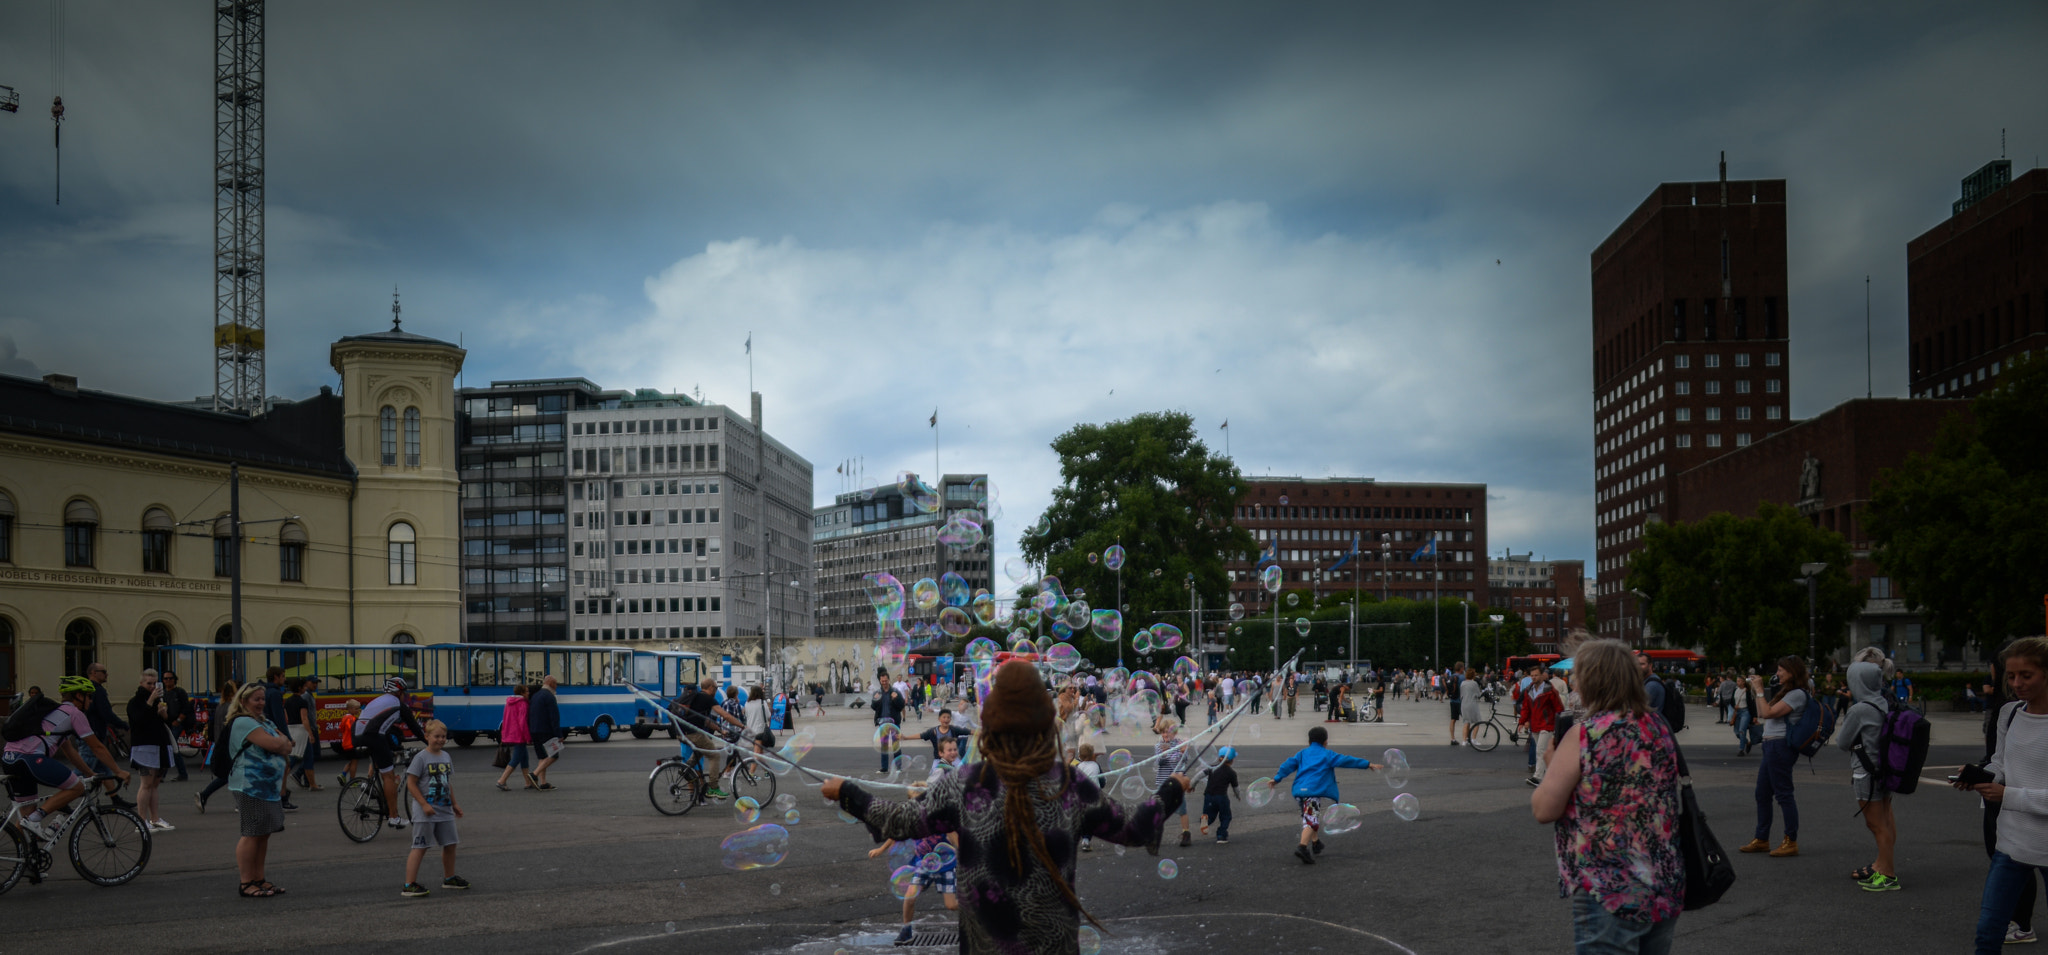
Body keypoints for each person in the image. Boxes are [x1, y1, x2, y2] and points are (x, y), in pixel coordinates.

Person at [822, 660, 1191, 955]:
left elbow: (903, 820)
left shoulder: (964, 783)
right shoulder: (1069, 784)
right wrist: (1173, 788)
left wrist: (848, 792)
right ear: (1044, 723)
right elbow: (1136, 828)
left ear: (991, 724)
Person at [1530, 638, 1683, 953]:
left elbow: (1544, 808)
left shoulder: (1586, 735)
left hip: (1610, 886)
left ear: (1592, 681)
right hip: (1663, 878)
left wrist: (1551, 763)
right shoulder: (1658, 727)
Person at [1964, 637, 2048, 952]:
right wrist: (1980, 777)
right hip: (2011, 844)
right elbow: (2001, 762)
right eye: (2011, 676)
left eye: (2026, 675)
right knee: (1987, 934)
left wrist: (2006, 795)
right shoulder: (2010, 712)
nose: (2016, 684)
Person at [2, 675, 132, 840]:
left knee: (26, 814)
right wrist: (118, 771)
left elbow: (71, 752)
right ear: (79, 695)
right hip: (29, 759)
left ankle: (24, 860)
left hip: (9, 759)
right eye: (89, 696)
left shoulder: (55, 714)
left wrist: (90, 774)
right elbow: (97, 747)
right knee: (77, 788)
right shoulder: (74, 713)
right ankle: (35, 820)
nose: (91, 701)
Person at [221, 681, 297, 897]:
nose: (261, 703)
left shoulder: (263, 721)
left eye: (263, 699)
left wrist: (281, 742)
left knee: (263, 834)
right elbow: (276, 745)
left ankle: (259, 878)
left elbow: (289, 744)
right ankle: (246, 882)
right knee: (252, 834)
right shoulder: (243, 722)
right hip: (250, 785)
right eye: (256, 699)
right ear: (243, 701)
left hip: (267, 787)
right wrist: (280, 742)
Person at [1270, 724, 1377, 865]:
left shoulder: (1302, 754)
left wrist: (1277, 778)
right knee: (1311, 820)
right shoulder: (1328, 754)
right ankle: (1302, 847)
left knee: (1309, 817)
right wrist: (1367, 764)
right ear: (1326, 742)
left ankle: (1316, 843)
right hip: (1313, 793)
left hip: (1300, 792)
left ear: (1309, 741)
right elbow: (1346, 760)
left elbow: (1287, 765)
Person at [1838, 654, 1900, 891]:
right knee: (1885, 820)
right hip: (1883, 770)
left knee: (1875, 825)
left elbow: (1843, 742)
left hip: (1866, 772)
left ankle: (1888, 874)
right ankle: (1883, 866)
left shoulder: (1859, 709)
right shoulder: (1883, 702)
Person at [1740, 656, 1811, 858]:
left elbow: (1768, 713)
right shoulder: (1786, 692)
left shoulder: (1797, 694)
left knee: (1783, 794)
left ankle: (1791, 840)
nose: (1777, 673)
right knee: (1762, 793)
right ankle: (1761, 838)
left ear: (1793, 672)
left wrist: (1760, 690)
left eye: (1781, 670)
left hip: (1780, 746)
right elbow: (1763, 711)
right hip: (1771, 745)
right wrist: (1756, 690)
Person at [400, 719, 468, 897]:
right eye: (436, 736)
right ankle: (409, 883)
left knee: (450, 844)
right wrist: (424, 804)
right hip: (426, 812)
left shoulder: (446, 756)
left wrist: (454, 804)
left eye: (443, 736)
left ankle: (449, 877)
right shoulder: (421, 758)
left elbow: (447, 782)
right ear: (427, 736)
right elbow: (411, 784)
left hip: (444, 809)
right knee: (420, 846)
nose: (440, 740)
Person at [355, 676, 430, 826]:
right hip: (373, 736)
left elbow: (385, 727)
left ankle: (370, 786)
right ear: (398, 692)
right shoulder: (398, 704)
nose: (404, 696)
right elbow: (415, 727)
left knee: (382, 760)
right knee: (388, 776)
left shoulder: (378, 701)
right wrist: (430, 743)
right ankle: (393, 817)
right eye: (404, 693)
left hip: (357, 735)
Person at [872, 830, 962, 944]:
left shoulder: (941, 822)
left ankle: (975, 907)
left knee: (951, 905)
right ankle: (906, 931)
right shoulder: (914, 821)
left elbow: (955, 838)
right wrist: (880, 849)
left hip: (945, 866)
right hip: (922, 864)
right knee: (909, 898)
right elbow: (897, 834)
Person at [124, 668, 176, 831]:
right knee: (146, 783)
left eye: (154, 683)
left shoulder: (159, 700)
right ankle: (141, 820)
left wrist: (164, 714)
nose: (152, 687)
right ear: (141, 683)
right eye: (149, 683)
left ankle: (154, 818)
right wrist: (150, 702)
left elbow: (168, 721)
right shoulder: (135, 702)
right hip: (144, 746)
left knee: (155, 784)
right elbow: (138, 720)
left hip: (160, 744)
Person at [196, 679, 240, 812]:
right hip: (229, 744)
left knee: (230, 774)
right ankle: (205, 794)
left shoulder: (220, 706)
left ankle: (205, 795)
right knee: (231, 774)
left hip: (219, 743)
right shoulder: (232, 707)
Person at [1154, 716, 1193, 847]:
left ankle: (1186, 834)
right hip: (1163, 782)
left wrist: (1182, 752)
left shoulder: (1181, 743)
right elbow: (1159, 762)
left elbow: (1183, 760)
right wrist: (1165, 753)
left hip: (1178, 782)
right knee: (1160, 809)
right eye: (1163, 732)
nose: (1165, 735)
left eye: (1168, 732)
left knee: (1182, 808)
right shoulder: (1159, 745)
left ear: (1174, 732)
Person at [1525, 669, 1563, 788]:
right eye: (1532, 675)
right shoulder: (1530, 690)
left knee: (1540, 750)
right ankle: (1552, 774)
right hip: (1536, 723)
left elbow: (1558, 707)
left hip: (1547, 724)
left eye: (1536, 675)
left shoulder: (1549, 690)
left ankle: (1537, 777)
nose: (1534, 677)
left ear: (1542, 676)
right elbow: (1526, 707)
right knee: (1543, 750)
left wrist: (1558, 721)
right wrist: (1523, 721)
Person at [494, 683, 536, 791]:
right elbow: (523, 722)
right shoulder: (523, 703)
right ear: (521, 693)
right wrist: (528, 737)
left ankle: (528, 782)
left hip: (511, 732)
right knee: (516, 758)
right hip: (519, 734)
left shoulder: (509, 702)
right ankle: (502, 780)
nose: (528, 693)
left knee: (524, 758)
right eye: (526, 691)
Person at [1197, 745, 1240, 844]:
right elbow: (1235, 788)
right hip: (1221, 797)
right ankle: (1221, 835)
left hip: (1208, 795)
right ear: (1232, 760)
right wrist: (1237, 795)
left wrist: (1192, 785)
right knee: (1226, 816)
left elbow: (1198, 776)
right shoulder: (1231, 773)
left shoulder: (1212, 767)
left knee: (1210, 815)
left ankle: (1205, 821)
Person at [528, 674, 563, 790]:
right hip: (546, 731)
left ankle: (543, 783)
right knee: (554, 755)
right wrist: (558, 734)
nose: (556, 686)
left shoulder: (535, 696)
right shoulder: (549, 697)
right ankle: (534, 774)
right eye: (556, 684)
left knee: (542, 757)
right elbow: (554, 717)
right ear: (551, 684)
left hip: (534, 730)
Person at [161, 670, 193, 782]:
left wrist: (179, 720)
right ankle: (180, 773)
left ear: (175, 679)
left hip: (176, 724)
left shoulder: (180, 692)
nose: (168, 680)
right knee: (170, 748)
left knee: (171, 747)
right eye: (166, 678)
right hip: (166, 724)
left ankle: (164, 775)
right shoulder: (163, 693)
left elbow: (186, 708)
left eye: (170, 678)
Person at [335, 699, 364, 784]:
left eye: (358, 709)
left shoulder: (344, 718)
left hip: (345, 743)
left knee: (351, 761)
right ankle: (352, 780)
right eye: (356, 709)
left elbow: (341, 728)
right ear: (350, 709)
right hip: (352, 743)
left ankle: (343, 774)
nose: (358, 710)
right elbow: (353, 729)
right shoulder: (351, 719)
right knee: (354, 762)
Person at [1459, 667, 1484, 745]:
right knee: (1477, 721)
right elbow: (1478, 694)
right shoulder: (1474, 683)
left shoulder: (1462, 683)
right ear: (1473, 675)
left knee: (1466, 722)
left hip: (1464, 704)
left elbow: (1461, 695)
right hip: (1472, 704)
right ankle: (1473, 739)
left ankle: (1464, 740)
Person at [1730, 674, 1755, 756]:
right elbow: (1732, 700)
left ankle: (1741, 749)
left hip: (1745, 711)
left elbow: (1752, 704)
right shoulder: (1735, 690)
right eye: (1737, 681)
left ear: (1744, 682)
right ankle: (1747, 742)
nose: (1738, 682)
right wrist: (1734, 706)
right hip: (1737, 711)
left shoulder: (1747, 691)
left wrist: (1754, 716)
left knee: (1742, 730)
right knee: (1737, 732)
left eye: (1739, 681)